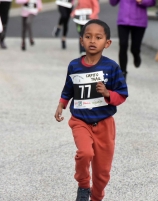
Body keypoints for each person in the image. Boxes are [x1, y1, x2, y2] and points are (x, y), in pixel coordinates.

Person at [54, 19, 128, 201]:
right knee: (85, 153)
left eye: (98, 37)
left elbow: (122, 95)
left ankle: (96, 196)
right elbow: (68, 89)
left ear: (107, 43)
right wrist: (61, 104)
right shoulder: (74, 66)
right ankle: (83, 185)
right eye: (88, 37)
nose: (92, 41)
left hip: (104, 123)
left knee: (102, 173)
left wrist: (108, 93)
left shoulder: (111, 67)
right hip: (80, 120)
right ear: (81, 41)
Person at [110, 0, 156, 79]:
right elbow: (112, 3)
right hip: (123, 21)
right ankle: (123, 72)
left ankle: (136, 54)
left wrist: (142, 1)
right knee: (123, 45)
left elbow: (152, 2)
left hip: (139, 22)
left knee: (135, 48)